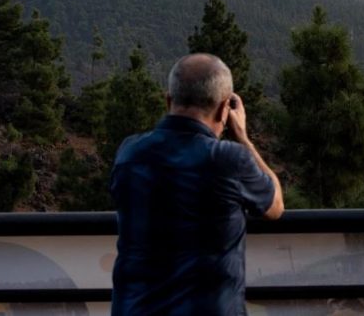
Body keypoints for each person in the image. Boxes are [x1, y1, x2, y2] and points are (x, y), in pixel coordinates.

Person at [110, 53, 284, 316]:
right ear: (225, 108)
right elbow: (275, 206)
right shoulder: (228, 159)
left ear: (168, 100)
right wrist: (244, 138)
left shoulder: (130, 153)